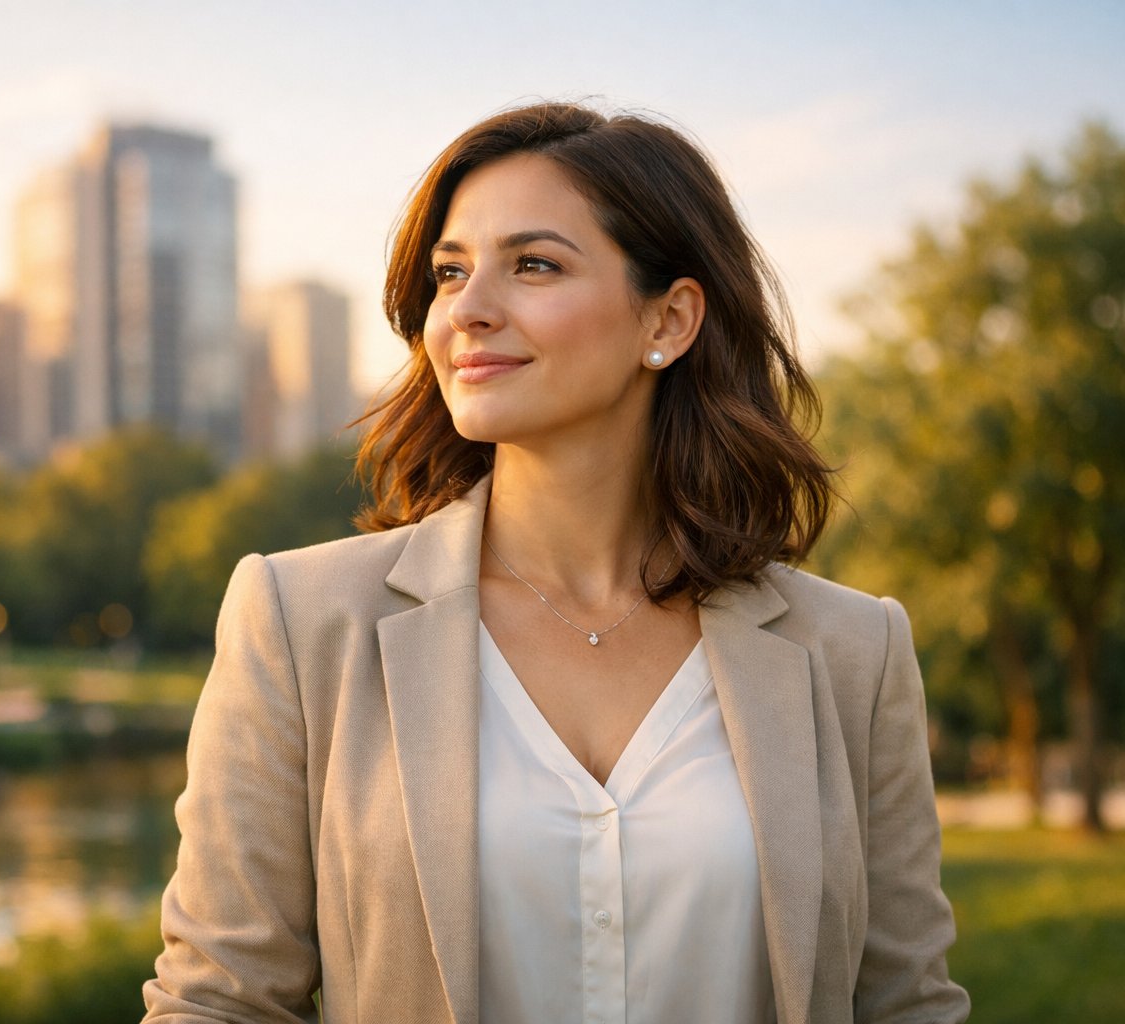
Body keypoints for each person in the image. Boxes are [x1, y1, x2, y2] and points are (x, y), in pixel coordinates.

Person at [142, 102, 969, 1024]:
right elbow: (219, 1001)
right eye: (450, 272)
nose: (467, 310)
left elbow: (906, 1004)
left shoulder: (855, 651)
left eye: (533, 264)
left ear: (670, 318)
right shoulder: (300, 621)